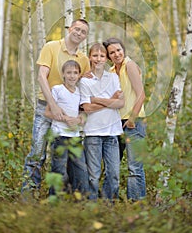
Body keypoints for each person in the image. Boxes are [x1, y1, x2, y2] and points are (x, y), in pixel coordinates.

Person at [22, 19, 90, 193]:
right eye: (77, 29)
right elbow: (41, 77)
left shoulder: (83, 59)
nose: (79, 33)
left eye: (83, 32)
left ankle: (62, 197)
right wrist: (53, 105)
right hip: (46, 107)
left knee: (66, 157)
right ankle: (29, 196)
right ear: (69, 29)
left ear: (85, 37)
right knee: (37, 154)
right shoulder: (51, 47)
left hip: (71, 112)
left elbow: (87, 87)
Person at [79, 43, 124, 200]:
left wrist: (96, 99)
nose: (98, 59)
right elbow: (86, 108)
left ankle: (109, 207)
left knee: (113, 175)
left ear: (107, 58)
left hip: (112, 133)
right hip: (93, 133)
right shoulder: (84, 81)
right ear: (90, 57)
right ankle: (91, 207)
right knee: (93, 175)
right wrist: (109, 101)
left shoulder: (113, 77)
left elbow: (120, 103)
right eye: (95, 55)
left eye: (102, 56)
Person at [103, 38, 146, 201]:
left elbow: (141, 95)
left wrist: (132, 119)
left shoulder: (130, 66)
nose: (116, 54)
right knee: (112, 166)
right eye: (112, 52)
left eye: (119, 50)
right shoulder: (112, 72)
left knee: (134, 167)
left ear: (124, 50)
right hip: (116, 123)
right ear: (108, 57)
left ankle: (136, 204)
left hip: (134, 122)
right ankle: (110, 203)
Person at [45, 60, 89, 196]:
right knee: (58, 169)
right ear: (63, 74)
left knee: (81, 170)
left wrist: (77, 120)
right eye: (69, 73)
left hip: (75, 137)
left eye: (75, 73)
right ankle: (54, 200)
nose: (72, 76)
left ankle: (80, 201)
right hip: (60, 136)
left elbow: (83, 114)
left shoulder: (80, 92)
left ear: (79, 75)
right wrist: (65, 119)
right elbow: (47, 112)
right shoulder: (57, 90)